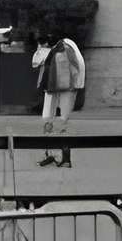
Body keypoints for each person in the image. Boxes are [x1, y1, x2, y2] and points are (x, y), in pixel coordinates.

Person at [35, 30, 86, 166]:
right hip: (68, 88)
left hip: (53, 89)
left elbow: (35, 62)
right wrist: (78, 85)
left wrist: (40, 50)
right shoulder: (70, 45)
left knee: (48, 118)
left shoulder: (50, 50)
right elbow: (79, 66)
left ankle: (50, 154)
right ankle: (65, 158)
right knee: (63, 121)